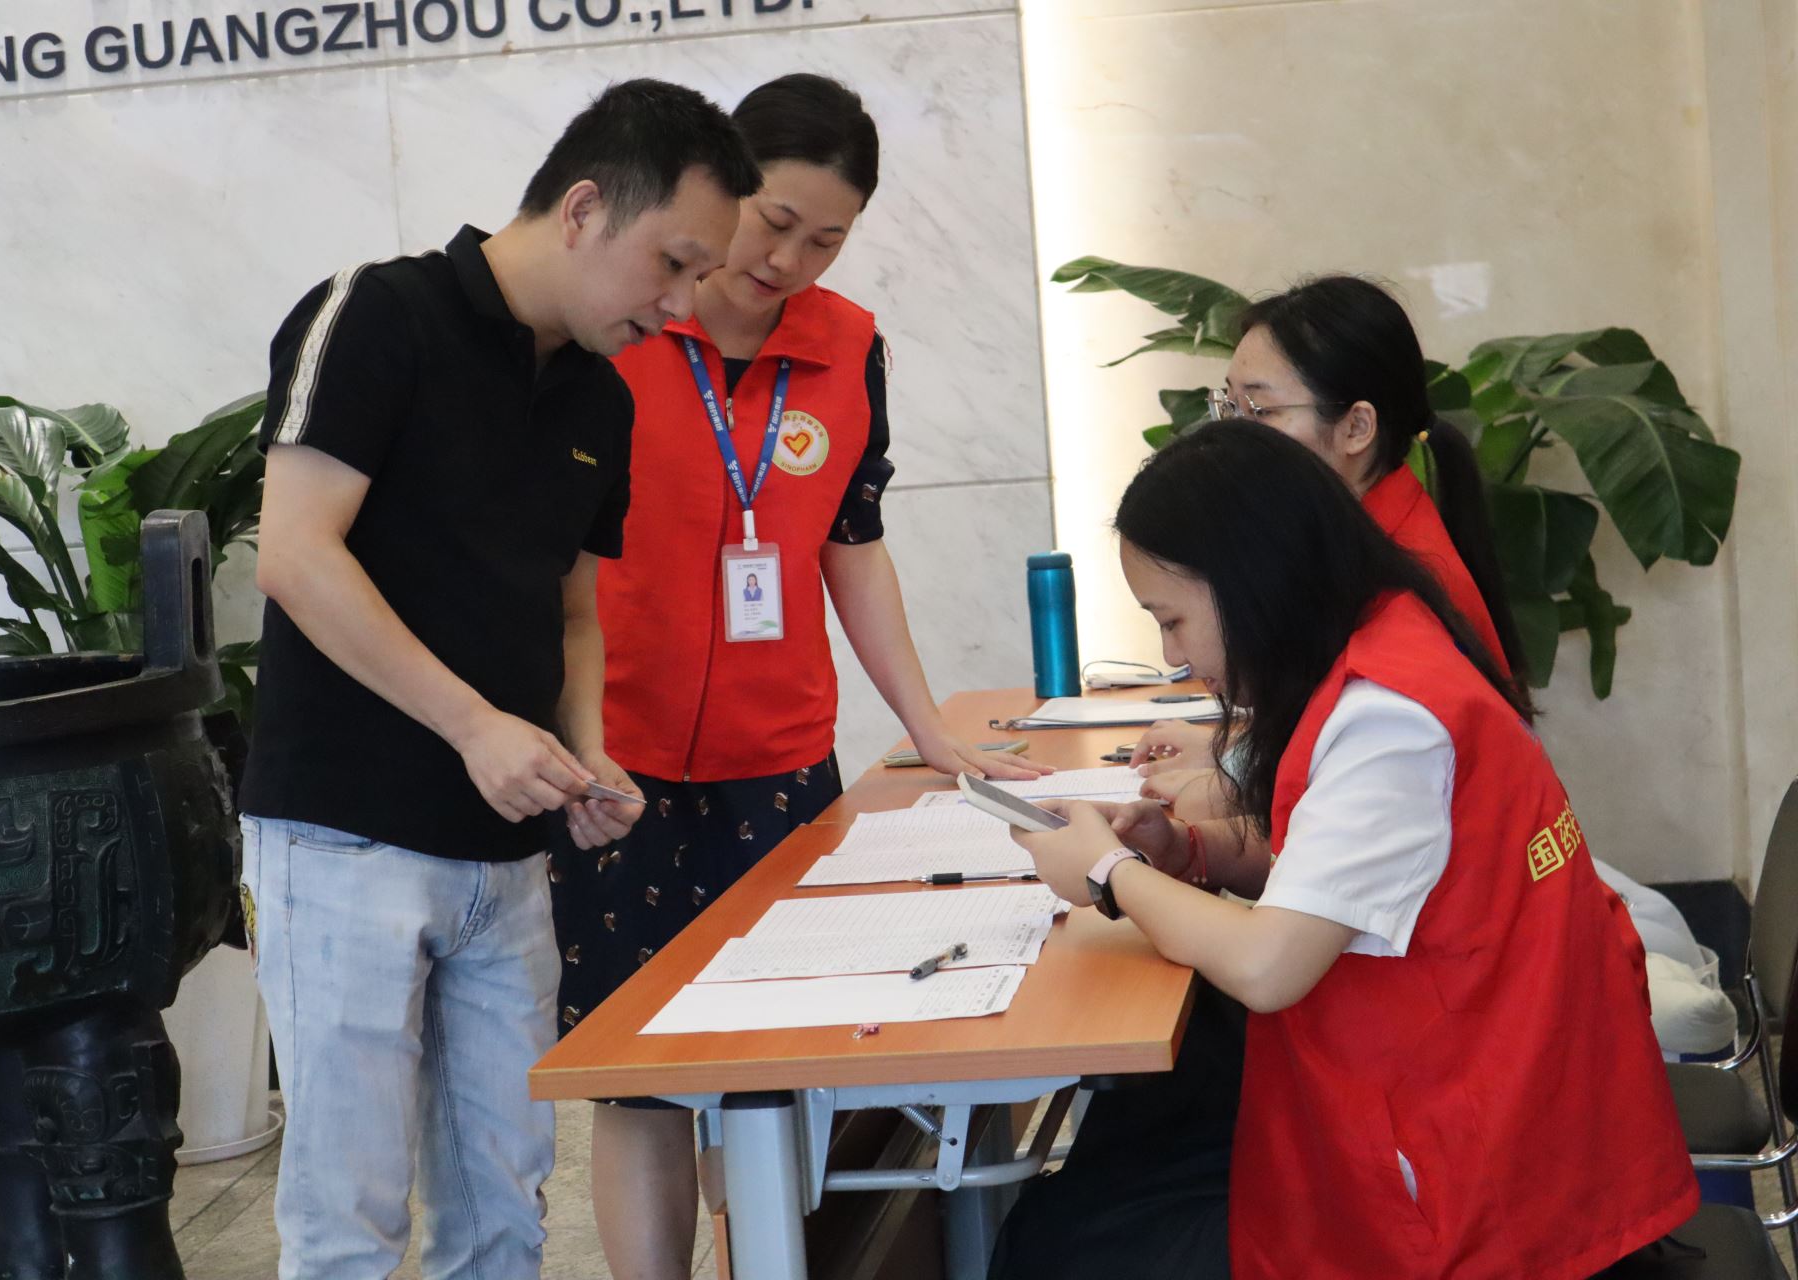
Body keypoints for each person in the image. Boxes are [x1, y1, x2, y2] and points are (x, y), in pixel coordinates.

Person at [236, 80, 759, 1280]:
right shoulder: (377, 312)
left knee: (503, 1216)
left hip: (507, 856)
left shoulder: (601, 397)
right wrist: (476, 725)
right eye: (672, 263)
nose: (682, 306)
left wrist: (585, 749)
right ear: (583, 208)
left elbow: (573, 609)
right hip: (343, 835)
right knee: (349, 1223)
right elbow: (296, 554)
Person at [547, 72, 1051, 1280]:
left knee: (775, 1065)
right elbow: (557, 564)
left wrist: (926, 723)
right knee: (644, 1077)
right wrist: (567, 738)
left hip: (777, 761)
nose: (788, 261)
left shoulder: (847, 347)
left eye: (826, 240)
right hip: (620, 763)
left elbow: (852, 543)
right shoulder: (623, 330)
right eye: (774, 222)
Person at [990, 421, 1696, 1279]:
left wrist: (1110, 872)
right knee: (1121, 1163)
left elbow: (1269, 967)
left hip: (1476, 1187)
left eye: (1172, 622)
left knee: (1062, 1244)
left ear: (1249, 581)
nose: (1172, 657)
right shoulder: (1389, 640)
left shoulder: (1386, 719)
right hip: (1488, 1107)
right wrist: (1191, 852)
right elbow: (1353, 877)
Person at [1131, 275, 1526, 781]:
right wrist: (1235, 753)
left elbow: (1376, 763)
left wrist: (1229, 782)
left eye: (1260, 411)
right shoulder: (1354, 540)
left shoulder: (1400, 576)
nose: (1233, 436)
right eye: (1228, 407)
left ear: (1356, 428)